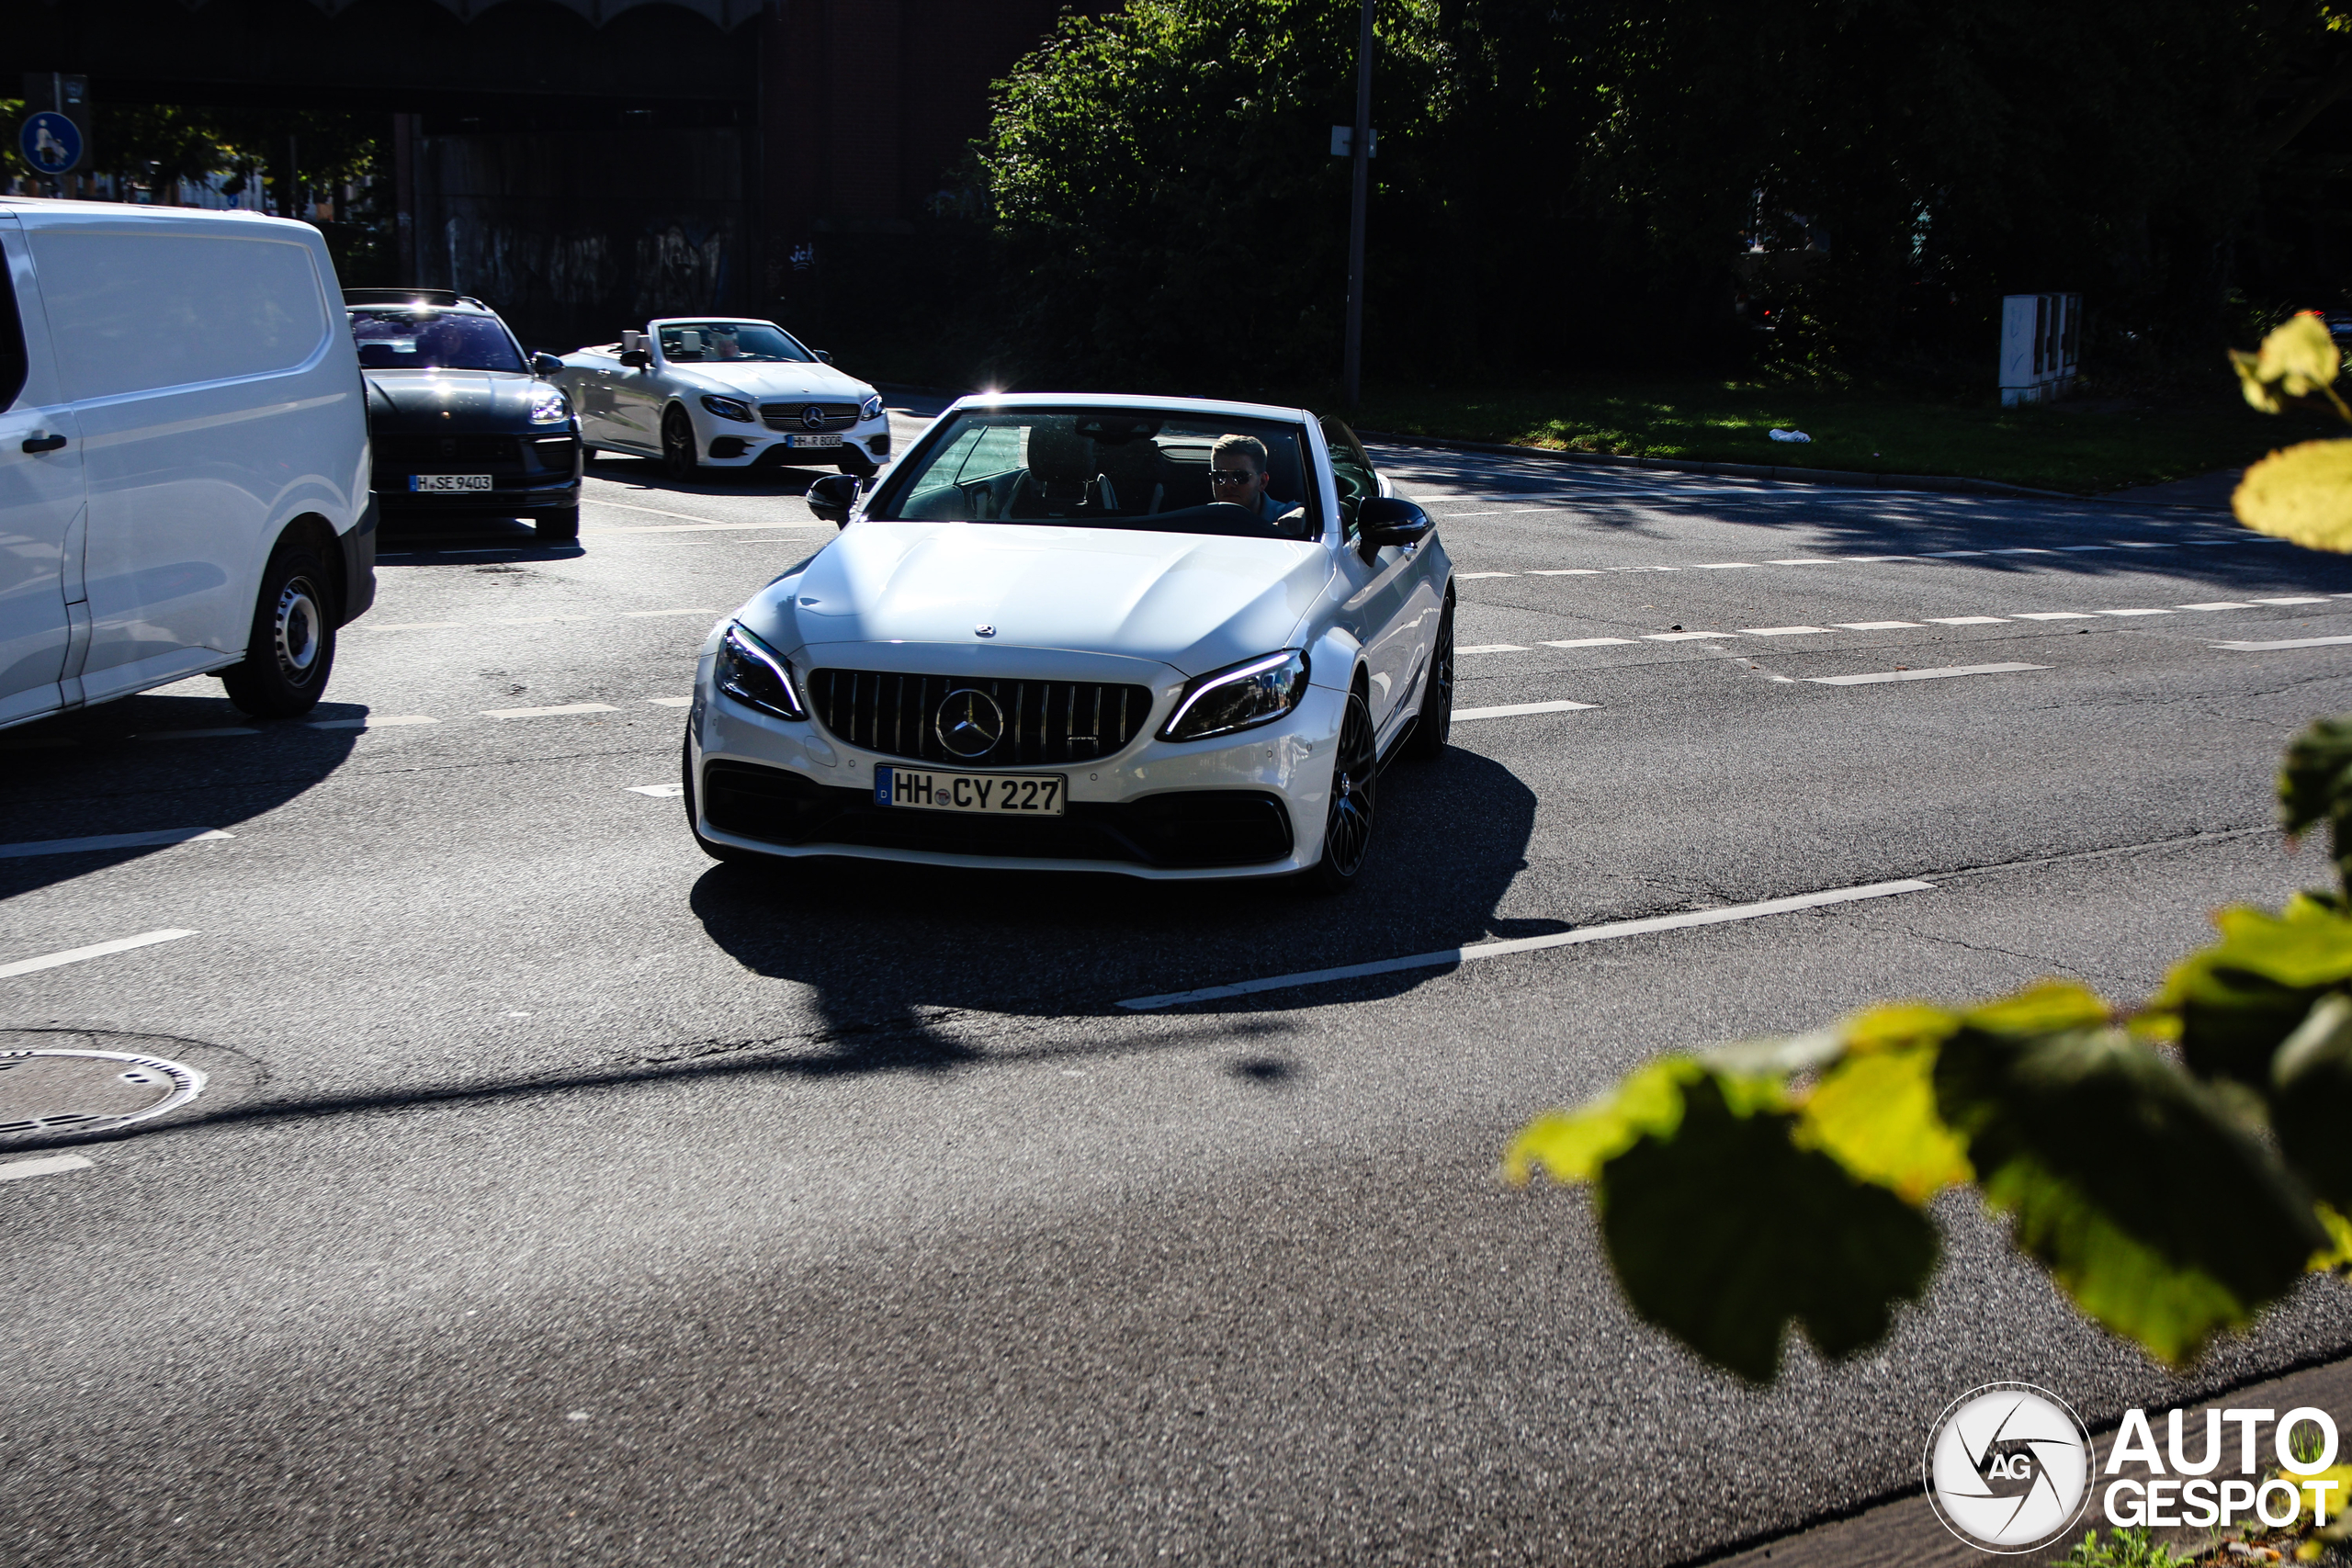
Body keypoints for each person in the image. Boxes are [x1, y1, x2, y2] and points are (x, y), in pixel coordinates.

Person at [1208, 434, 1294, 524]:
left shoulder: (1288, 517)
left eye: (1240, 476)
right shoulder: (1202, 521)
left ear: (1262, 482)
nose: (1228, 485)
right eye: (1220, 476)